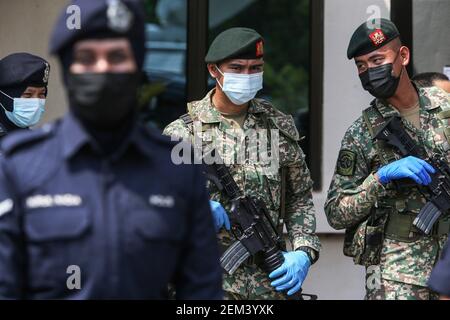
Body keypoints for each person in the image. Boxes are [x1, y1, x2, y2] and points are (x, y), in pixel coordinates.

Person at [0, 0, 222, 300]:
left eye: (117, 56)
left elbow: (201, 297)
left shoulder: (177, 169)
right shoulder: (20, 167)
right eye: (87, 57)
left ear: (137, 65)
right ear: (68, 69)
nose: (102, 68)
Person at [163, 27, 321, 300]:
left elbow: (299, 198)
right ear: (214, 70)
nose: (247, 76)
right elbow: (157, 203)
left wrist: (303, 251)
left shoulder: (277, 127)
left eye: (254, 68)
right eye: (237, 67)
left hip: (270, 283)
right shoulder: (183, 133)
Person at [325, 18, 450, 300]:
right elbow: (335, 212)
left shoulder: (445, 107)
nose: (370, 71)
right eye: (361, 65)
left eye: (378, 59)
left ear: (403, 56)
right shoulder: (361, 133)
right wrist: (379, 178)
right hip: (398, 275)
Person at [0, 53, 50, 138]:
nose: (36, 102)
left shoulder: (33, 140)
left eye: (41, 94)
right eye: (28, 94)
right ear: (4, 97)